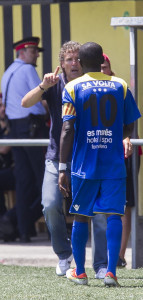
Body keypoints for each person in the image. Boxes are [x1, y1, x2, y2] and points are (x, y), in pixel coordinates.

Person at [58, 42, 141, 286]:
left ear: (81, 63)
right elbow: (129, 124)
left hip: (84, 164)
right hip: (113, 163)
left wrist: (63, 168)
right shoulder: (121, 85)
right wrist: (116, 136)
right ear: (101, 60)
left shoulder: (72, 87)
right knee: (114, 214)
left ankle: (80, 273)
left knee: (81, 215)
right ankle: (110, 272)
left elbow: (67, 128)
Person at [21, 41, 83, 275]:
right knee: (50, 204)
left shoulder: (89, 84)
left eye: (77, 58)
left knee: (88, 211)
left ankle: (96, 262)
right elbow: (25, 102)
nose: (74, 63)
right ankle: (64, 255)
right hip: (55, 158)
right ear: (62, 64)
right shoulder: (55, 85)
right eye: (69, 59)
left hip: (84, 157)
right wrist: (43, 86)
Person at [1, 37, 47, 242]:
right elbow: (36, 102)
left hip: (16, 129)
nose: (36, 54)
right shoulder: (28, 70)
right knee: (45, 178)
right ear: (22, 52)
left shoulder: (8, 71)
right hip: (31, 127)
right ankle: (54, 231)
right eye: (33, 51)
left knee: (23, 181)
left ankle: (23, 230)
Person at [0, 93, 15, 218]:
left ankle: (6, 220)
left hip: (14, 170)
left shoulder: (15, 124)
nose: (3, 109)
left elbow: (4, 149)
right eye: (0, 106)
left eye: (5, 105)